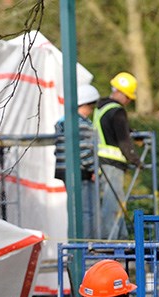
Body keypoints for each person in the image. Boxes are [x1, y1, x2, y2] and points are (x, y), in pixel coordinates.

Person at [93, 72, 143, 241]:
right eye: (128, 97)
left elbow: (112, 130)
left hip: (100, 162)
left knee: (115, 201)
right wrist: (135, 160)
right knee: (113, 203)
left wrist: (132, 133)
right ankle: (112, 240)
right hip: (112, 163)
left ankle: (121, 237)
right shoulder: (118, 111)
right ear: (121, 93)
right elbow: (123, 141)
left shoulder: (101, 108)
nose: (128, 101)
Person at [55, 83, 100, 239]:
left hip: (64, 170)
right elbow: (84, 150)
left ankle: (74, 243)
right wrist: (93, 169)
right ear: (85, 105)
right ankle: (85, 245)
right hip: (81, 172)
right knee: (86, 211)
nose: (91, 111)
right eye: (91, 107)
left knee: (73, 210)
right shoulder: (81, 124)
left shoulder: (63, 121)